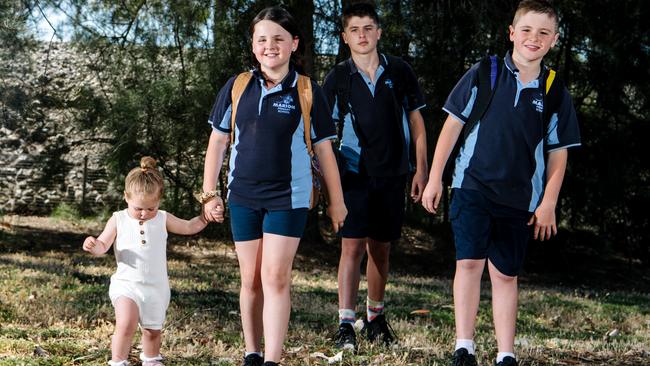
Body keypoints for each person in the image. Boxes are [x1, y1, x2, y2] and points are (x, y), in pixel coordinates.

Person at [421, 1, 581, 365]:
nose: (533, 38)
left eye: (543, 32)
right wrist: (434, 178)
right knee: (469, 265)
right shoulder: (484, 72)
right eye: (526, 30)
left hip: (520, 198)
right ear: (511, 33)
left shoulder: (555, 90)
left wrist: (549, 202)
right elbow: (452, 127)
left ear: (554, 40)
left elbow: (559, 154)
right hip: (472, 185)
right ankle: (464, 347)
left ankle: (506, 354)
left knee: (506, 274)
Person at [201, 6, 347, 366]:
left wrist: (336, 201)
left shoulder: (308, 90)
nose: (270, 46)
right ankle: (252, 352)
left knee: (275, 276)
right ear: (253, 46)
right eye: (262, 39)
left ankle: (273, 359)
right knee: (250, 279)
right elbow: (217, 143)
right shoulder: (237, 87)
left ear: (294, 44)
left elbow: (326, 151)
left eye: (279, 39)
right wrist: (210, 192)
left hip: (289, 197)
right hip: (243, 196)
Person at [321, 2, 428, 350]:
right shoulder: (337, 77)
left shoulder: (400, 70)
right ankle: (346, 324)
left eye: (368, 28)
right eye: (354, 30)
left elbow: (416, 123)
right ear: (344, 37)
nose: (362, 35)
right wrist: (327, 182)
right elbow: (322, 134)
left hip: (393, 173)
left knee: (381, 249)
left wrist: (421, 170)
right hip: (352, 174)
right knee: (351, 248)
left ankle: (375, 318)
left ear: (379, 32)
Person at [82, 156, 212, 366]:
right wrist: (93, 245)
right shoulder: (118, 219)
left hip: (156, 287)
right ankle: (118, 361)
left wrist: (205, 217)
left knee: (152, 330)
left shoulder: (162, 218)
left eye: (151, 208)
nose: (144, 213)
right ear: (126, 197)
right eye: (138, 208)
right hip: (127, 285)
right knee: (126, 323)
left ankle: (151, 359)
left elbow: (189, 227)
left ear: (159, 201)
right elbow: (103, 245)